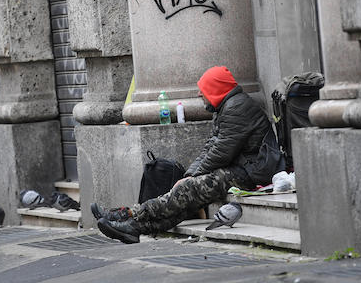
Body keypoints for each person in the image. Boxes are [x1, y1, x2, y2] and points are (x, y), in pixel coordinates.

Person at [93, 65, 277, 244]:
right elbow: (210, 148)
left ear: (215, 89)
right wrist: (189, 175)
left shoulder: (237, 107)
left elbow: (221, 153)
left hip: (253, 172)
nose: (199, 94)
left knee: (187, 190)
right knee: (187, 198)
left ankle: (128, 215)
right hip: (240, 167)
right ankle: (134, 228)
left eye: (203, 90)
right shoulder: (225, 107)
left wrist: (191, 179)